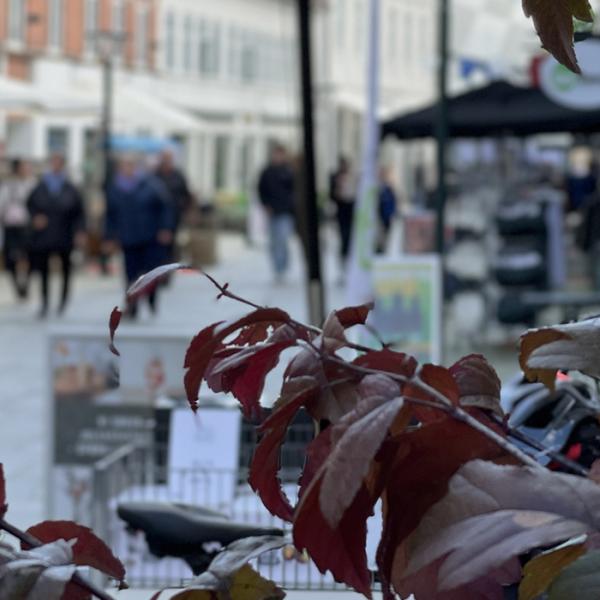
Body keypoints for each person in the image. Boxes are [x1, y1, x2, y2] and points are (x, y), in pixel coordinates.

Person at [104, 155, 174, 318]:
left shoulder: (152, 185)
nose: (127, 169)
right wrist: (109, 236)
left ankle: (151, 298)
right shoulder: (115, 188)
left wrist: (165, 228)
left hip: (150, 237)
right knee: (130, 274)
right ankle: (132, 304)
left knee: (150, 272)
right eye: (124, 166)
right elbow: (110, 215)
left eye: (130, 165)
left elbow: (165, 207)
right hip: (128, 237)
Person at [27, 154, 85, 317]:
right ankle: (45, 302)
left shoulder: (70, 188)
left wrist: (79, 232)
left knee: (66, 268)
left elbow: (79, 213)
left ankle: (63, 301)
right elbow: (30, 205)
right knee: (43, 269)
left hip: (64, 234)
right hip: (44, 236)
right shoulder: (40, 186)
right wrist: (35, 218)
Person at [258, 144, 295, 283]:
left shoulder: (288, 171)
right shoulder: (267, 172)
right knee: (274, 242)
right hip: (272, 212)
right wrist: (265, 204)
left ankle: (282, 267)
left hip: (285, 212)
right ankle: (277, 267)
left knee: (282, 240)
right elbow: (261, 189)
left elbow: (294, 191)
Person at [0, 158, 35, 300]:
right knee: (11, 258)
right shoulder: (8, 185)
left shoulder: (33, 185)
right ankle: (17, 285)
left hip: (27, 225)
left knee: (30, 255)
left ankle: (26, 283)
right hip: (11, 225)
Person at [155, 148, 193, 264]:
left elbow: (187, 195)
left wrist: (186, 210)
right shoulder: (155, 175)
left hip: (175, 215)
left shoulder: (178, 175)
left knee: (171, 244)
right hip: (156, 216)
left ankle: (168, 268)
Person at [329, 156, 357, 271]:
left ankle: (349, 261)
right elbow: (332, 196)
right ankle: (343, 261)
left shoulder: (353, 177)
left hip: (351, 212)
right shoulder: (335, 177)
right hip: (341, 212)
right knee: (343, 237)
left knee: (351, 237)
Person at [377, 167, 398, 254]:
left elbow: (393, 202)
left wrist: (392, 213)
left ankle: (383, 249)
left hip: (386, 217)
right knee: (379, 234)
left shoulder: (388, 189)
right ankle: (379, 248)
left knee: (385, 234)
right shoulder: (377, 189)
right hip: (378, 217)